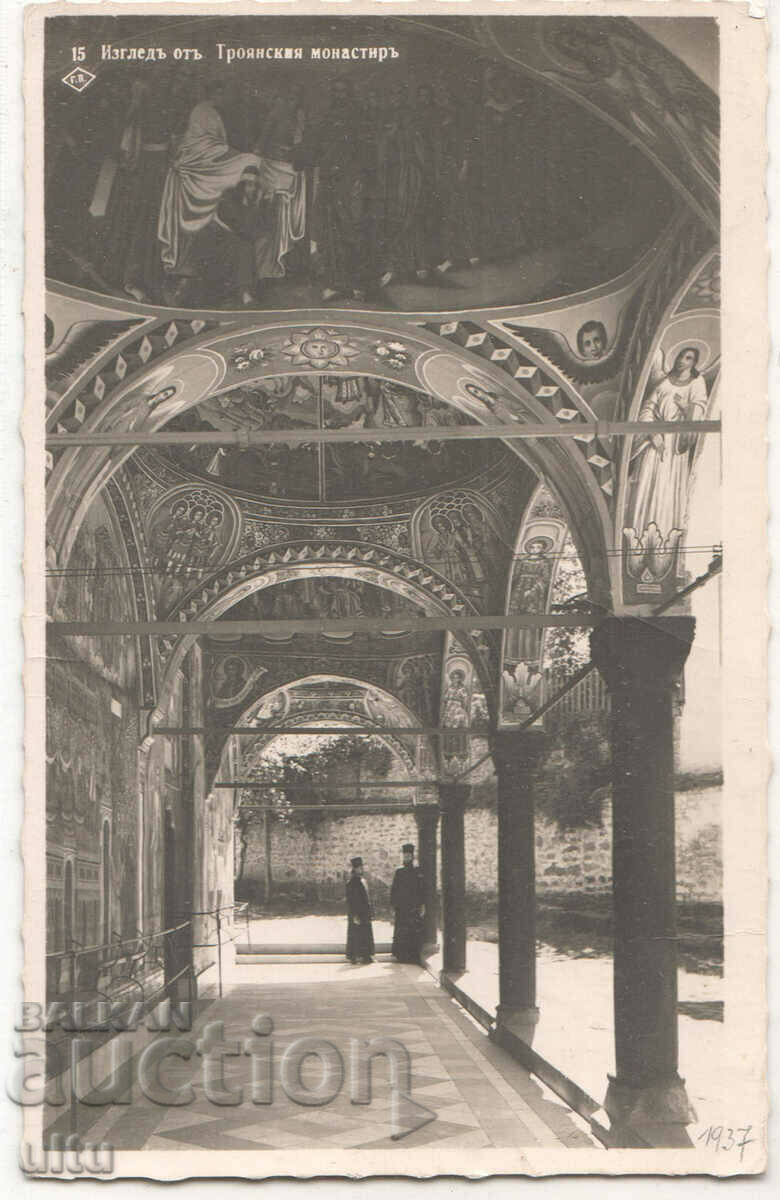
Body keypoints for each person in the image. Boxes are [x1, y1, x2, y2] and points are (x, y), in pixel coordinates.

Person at [157, 78, 262, 297]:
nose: (227, 97)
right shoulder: (202, 110)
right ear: (216, 93)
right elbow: (204, 144)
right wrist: (232, 154)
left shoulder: (215, 111)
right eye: (224, 93)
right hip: (200, 163)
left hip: (210, 161)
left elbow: (216, 144)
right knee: (249, 160)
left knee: (250, 162)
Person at [629, 346, 708, 540]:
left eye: (688, 358)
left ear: (694, 363)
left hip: (675, 443)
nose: (683, 360)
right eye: (681, 356)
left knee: (669, 484)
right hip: (656, 439)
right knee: (647, 481)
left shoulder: (697, 382)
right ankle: (641, 529)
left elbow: (700, 409)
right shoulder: (664, 382)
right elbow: (647, 408)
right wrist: (653, 433)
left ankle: (665, 531)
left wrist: (686, 407)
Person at [390, 844, 425, 964]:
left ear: (412, 856)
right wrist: (393, 905)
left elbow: (421, 889)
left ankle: (413, 956)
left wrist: (422, 905)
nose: (406, 858)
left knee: (413, 931)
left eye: (409, 856)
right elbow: (394, 890)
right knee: (402, 931)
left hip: (413, 907)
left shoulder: (417, 870)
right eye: (405, 855)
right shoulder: (399, 871)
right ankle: (401, 956)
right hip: (401, 908)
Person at [345, 857, 375, 965]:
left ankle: (366, 956)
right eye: (358, 868)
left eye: (361, 867)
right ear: (354, 869)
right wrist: (354, 915)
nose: (360, 870)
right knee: (355, 934)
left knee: (365, 934)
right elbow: (350, 901)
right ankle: (353, 956)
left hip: (365, 912)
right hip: (356, 913)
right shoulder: (351, 883)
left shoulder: (363, 881)